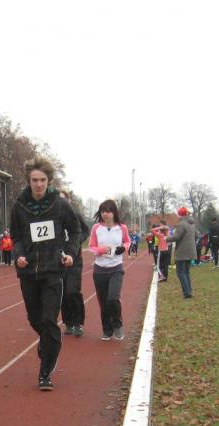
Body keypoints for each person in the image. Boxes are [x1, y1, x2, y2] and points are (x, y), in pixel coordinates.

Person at [10, 156, 80, 391]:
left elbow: (76, 230)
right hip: (28, 272)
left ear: (48, 181)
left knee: (49, 320)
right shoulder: (19, 206)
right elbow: (16, 237)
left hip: (53, 271)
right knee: (35, 320)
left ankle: (45, 372)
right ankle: (50, 341)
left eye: (42, 180)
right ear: (28, 181)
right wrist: (18, 255)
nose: (38, 184)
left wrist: (70, 253)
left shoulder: (60, 205)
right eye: (34, 180)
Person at [88, 198, 130, 340]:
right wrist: (102, 250)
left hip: (116, 268)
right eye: (103, 211)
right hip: (100, 269)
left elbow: (127, 241)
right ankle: (107, 329)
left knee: (113, 298)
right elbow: (91, 247)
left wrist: (123, 248)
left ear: (114, 212)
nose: (105, 214)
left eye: (108, 211)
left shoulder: (122, 227)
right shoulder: (96, 228)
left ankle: (117, 324)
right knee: (103, 302)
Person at [61, 207, 90, 337]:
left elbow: (85, 230)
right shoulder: (53, 215)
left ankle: (78, 323)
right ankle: (68, 323)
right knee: (63, 293)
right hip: (59, 261)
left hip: (75, 260)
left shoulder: (74, 215)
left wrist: (79, 239)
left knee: (72, 291)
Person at [166, 207, 198, 298]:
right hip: (191, 251)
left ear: (179, 215)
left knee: (180, 272)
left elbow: (176, 237)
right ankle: (189, 290)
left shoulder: (181, 224)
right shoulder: (192, 224)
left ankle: (187, 292)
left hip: (182, 251)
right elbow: (196, 235)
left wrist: (166, 238)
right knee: (186, 272)